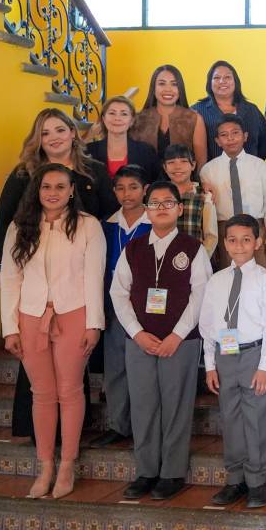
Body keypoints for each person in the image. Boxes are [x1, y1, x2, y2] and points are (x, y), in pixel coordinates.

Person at [0, 108, 113, 440]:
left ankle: (74, 430)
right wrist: (1, 266)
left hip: (79, 275)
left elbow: (110, 213)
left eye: (60, 130)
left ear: (73, 133)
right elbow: (6, 224)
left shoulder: (93, 173)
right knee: (38, 374)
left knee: (73, 371)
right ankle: (38, 431)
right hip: (34, 282)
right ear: (38, 139)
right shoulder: (23, 175)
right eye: (45, 133)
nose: (54, 138)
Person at [0, 164, 106, 499]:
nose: (53, 193)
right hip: (30, 316)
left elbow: (94, 277)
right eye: (47, 186)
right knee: (42, 393)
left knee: (70, 391)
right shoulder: (20, 227)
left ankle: (67, 465)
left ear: (72, 190)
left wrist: (94, 323)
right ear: (38, 190)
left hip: (74, 314)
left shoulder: (88, 226)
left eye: (61, 186)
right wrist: (9, 327)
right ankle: (45, 464)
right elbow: (10, 279)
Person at [112, 181, 213, 501]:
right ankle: (146, 470)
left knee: (175, 407)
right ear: (146, 209)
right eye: (154, 203)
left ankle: (171, 472)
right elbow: (118, 293)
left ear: (180, 209)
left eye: (167, 202)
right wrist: (137, 332)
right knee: (143, 406)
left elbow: (201, 296)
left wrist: (176, 335)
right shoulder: (134, 248)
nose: (160, 208)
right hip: (139, 341)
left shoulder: (193, 248)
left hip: (179, 343)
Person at [200, 214, 266, 509]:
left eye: (246, 239)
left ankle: (257, 480)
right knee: (230, 416)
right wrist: (210, 364)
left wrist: (264, 366)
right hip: (225, 355)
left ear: (258, 242)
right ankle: (235, 478)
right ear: (225, 243)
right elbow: (207, 324)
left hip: (253, 354)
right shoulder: (217, 280)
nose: (239, 245)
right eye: (232, 240)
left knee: (256, 417)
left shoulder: (265, 280)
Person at [89, 165, 151, 449]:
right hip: (114, 305)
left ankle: (144, 426)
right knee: (116, 367)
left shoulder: (155, 223)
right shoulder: (105, 226)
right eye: (121, 188)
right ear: (114, 191)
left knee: (144, 369)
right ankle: (118, 424)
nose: (127, 194)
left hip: (148, 307)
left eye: (134, 187)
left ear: (145, 190)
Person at [199, 114, 266, 268]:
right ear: (217, 141)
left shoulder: (260, 167)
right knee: (227, 276)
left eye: (235, 133)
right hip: (223, 232)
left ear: (245, 136)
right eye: (224, 135)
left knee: (259, 275)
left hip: (256, 230)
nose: (230, 138)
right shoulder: (208, 170)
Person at [192, 61, 266, 162]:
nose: (222, 81)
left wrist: (253, 166)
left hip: (249, 174)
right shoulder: (197, 111)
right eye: (216, 78)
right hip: (212, 175)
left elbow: (264, 143)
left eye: (227, 77)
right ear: (209, 83)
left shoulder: (252, 110)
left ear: (235, 81)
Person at [132, 65, 209, 165]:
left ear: (180, 88)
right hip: (145, 180)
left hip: (184, 179)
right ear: (153, 88)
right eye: (162, 84)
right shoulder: (139, 119)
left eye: (174, 84)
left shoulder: (194, 119)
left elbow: (201, 162)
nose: (168, 89)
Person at [161, 145, 219, 257]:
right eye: (171, 162)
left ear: (193, 165)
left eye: (183, 161)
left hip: (195, 258)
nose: (177, 167)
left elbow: (211, 236)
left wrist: (200, 259)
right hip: (164, 259)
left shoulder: (204, 195)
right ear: (165, 167)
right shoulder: (159, 195)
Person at [85, 96, 160, 182]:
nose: (117, 118)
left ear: (131, 121)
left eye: (124, 114)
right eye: (112, 113)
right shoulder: (88, 151)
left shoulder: (146, 151)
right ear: (103, 119)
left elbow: (155, 184)